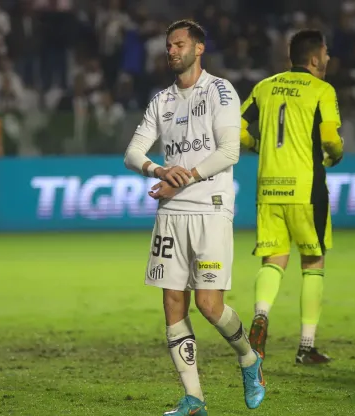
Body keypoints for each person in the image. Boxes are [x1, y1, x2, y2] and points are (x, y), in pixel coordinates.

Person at [123, 19, 266, 416]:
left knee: (208, 304)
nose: (172, 50)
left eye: (179, 44)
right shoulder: (162, 101)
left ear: (198, 49)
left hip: (210, 206)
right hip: (171, 212)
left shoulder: (221, 90)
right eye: (169, 45)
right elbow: (132, 153)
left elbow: (229, 152)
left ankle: (249, 359)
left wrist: (181, 178)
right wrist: (157, 170)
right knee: (172, 303)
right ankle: (194, 399)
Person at [238, 29, 344, 365]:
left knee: (273, 261)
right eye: (325, 53)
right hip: (306, 190)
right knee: (313, 263)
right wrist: (336, 153)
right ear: (314, 58)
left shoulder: (264, 87)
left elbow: (236, 128)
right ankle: (306, 347)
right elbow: (330, 138)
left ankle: (260, 317)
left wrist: (256, 146)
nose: (327, 59)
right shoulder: (321, 90)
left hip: (269, 189)